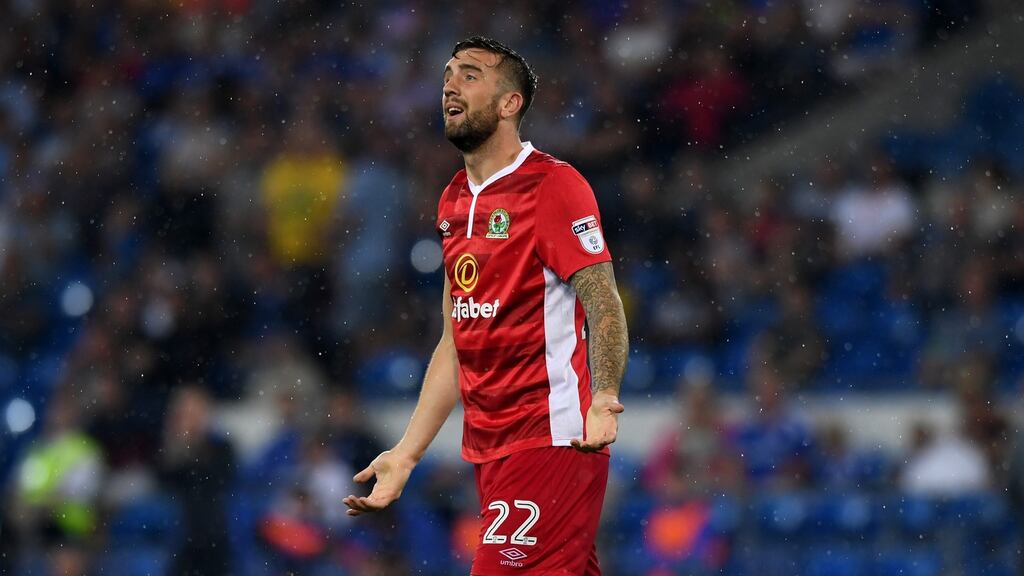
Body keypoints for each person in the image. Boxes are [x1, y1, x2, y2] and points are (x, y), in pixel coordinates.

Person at [344, 36, 629, 575]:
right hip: (490, 451)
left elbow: (603, 301)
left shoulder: (552, 185)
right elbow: (456, 340)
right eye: (448, 75)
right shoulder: (453, 199)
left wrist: (605, 394)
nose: (450, 85)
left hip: (553, 439)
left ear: (509, 103)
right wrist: (407, 453)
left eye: (470, 75)